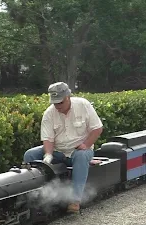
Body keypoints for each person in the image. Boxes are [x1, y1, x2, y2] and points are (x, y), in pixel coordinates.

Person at [23, 82, 103, 214]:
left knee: (82, 156)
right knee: (30, 155)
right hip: (58, 151)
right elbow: (48, 138)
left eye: (60, 102)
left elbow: (97, 128)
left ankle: (75, 200)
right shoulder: (49, 114)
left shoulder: (83, 105)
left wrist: (86, 145)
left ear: (68, 96)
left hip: (78, 152)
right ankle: (39, 195)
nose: (57, 106)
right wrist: (48, 155)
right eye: (54, 103)